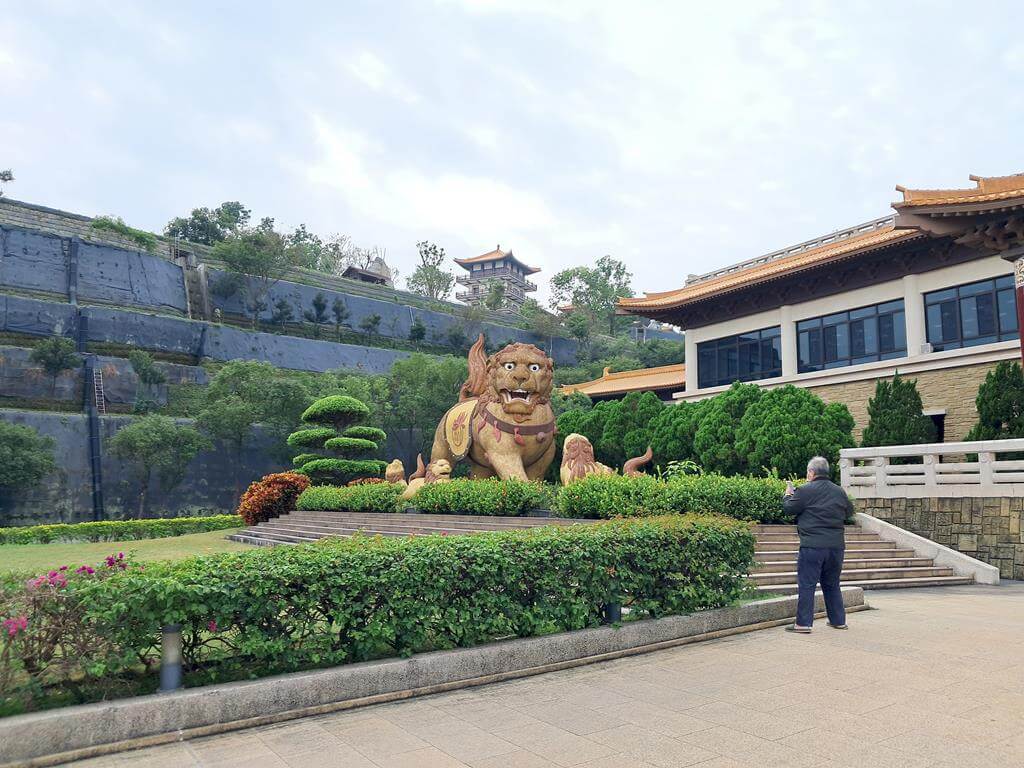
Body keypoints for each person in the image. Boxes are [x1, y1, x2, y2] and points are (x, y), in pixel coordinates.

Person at [782, 456, 853, 633]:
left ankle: (803, 623)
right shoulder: (839, 491)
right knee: (832, 583)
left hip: (812, 546)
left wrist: (787, 495)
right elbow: (849, 511)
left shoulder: (805, 490)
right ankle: (838, 620)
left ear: (811, 472)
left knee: (807, 584)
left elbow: (789, 509)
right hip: (836, 547)